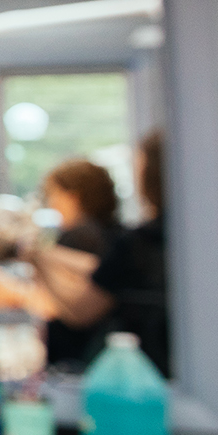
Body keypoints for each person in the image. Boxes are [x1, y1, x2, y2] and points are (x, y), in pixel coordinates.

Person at [22, 134, 171, 377]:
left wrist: (36, 260)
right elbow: (99, 269)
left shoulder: (126, 241)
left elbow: (79, 308)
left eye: (53, 194)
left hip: (103, 362)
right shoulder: (119, 234)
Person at [38, 159, 122, 366]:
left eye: (53, 194)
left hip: (76, 351)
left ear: (72, 197)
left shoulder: (77, 237)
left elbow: (58, 303)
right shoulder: (115, 235)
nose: (52, 203)